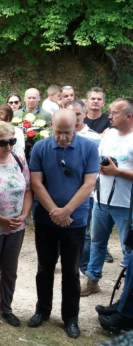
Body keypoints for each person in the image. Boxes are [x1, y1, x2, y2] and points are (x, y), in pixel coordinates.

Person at [28, 109, 99, 338]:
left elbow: (89, 184)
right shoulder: (40, 148)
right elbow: (36, 183)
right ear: (51, 127)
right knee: (44, 268)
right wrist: (53, 211)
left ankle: (71, 318)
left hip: (75, 220)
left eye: (67, 132)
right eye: (58, 132)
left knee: (71, 270)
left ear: (76, 125)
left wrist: (66, 211)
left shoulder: (89, 147)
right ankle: (42, 310)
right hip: (46, 219)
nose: (63, 138)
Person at [0, 121, 33, 328]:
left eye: (12, 141)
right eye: (3, 142)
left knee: (10, 270)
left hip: (16, 226)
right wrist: (0, 218)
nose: (8, 146)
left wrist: (25, 213)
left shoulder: (19, 160)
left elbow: (28, 189)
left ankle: (6, 308)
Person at [81, 98, 133, 296]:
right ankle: (92, 280)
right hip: (101, 200)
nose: (109, 116)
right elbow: (98, 159)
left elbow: (115, 170)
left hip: (127, 205)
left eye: (114, 113)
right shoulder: (109, 135)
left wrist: (117, 172)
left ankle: (128, 290)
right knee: (97, 242)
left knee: (128, 249)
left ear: (129, 116)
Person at [65, 100, 103, 276]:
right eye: (70, 115)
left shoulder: (94, 138)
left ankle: (83, 265)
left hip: (86, 193)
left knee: (84, 230)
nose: (74, 119)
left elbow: (96, 171)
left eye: (78, 114)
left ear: (84, 114)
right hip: (63, 192)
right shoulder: (60, 136)